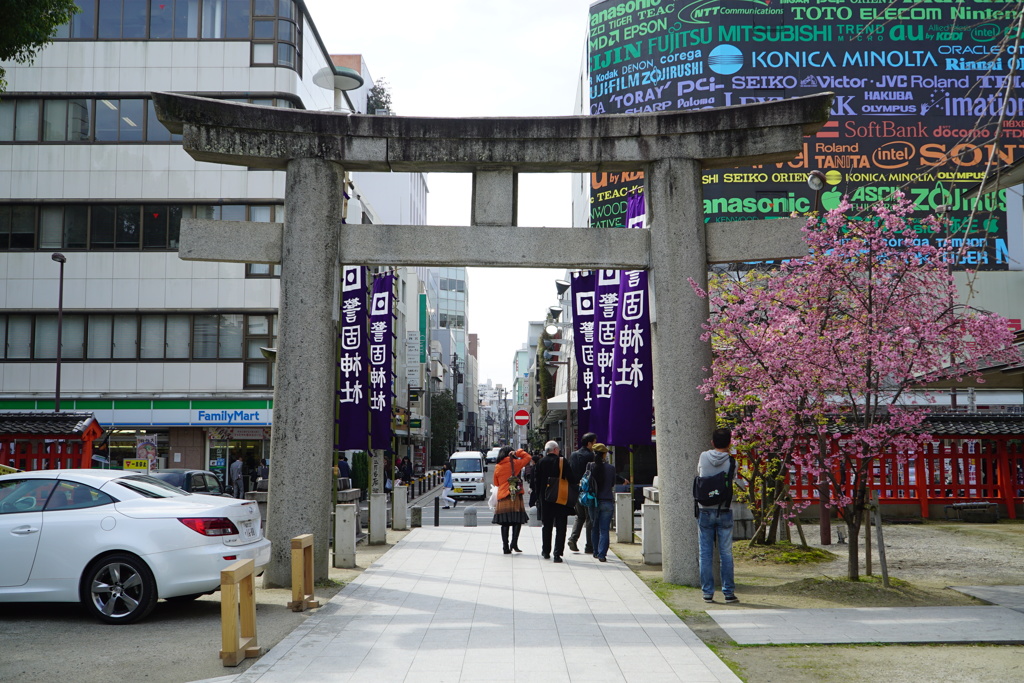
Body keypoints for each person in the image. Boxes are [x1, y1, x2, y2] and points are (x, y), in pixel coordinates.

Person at [698, 427, 746, 604]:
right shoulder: (732, 462)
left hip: (704, 509)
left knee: (705, 553)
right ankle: (728, 593)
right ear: (729, 443)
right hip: (724, 509)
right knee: (726, 553)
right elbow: (732, 480)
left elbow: (701, 474)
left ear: (712, 442)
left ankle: (707, 593)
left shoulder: (703, 456)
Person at [535, 440, 578, 563]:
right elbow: (572, 479)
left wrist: (538, 498)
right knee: (561, 527)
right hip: (560, 498)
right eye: (558, 449)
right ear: (555, 450)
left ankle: (545, 551)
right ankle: (557, 554)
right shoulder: (562, 461)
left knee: (547, 526)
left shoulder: (540, 462)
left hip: (545, 499)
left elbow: (536, 482)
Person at [491, 446, 531, 554]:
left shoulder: (498, 466)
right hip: (515, 495)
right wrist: (517, 453)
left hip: (503, 496)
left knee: (504, 523)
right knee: (517, 520)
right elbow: (528, 457)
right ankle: (514, 543)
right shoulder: (515, 463)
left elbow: (496, 483)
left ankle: (505, 547)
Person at [567, 432, 597, 554]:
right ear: (589, 443)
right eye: (594, 442)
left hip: (576, 490)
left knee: (580, 516)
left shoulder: (573, 455)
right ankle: (589, 546)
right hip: (588, 491)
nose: (595, 445)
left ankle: (573, 538)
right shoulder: (591, 456)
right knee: (589, 518)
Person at [589, 444, 617, 562]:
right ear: (604, 454)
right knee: (604, 530)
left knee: (594, 527)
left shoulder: (590, 466)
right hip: (607, 501)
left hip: (594, 501)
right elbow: (612, 483)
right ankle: (602, 554)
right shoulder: (611, 468)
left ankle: (595, 551)